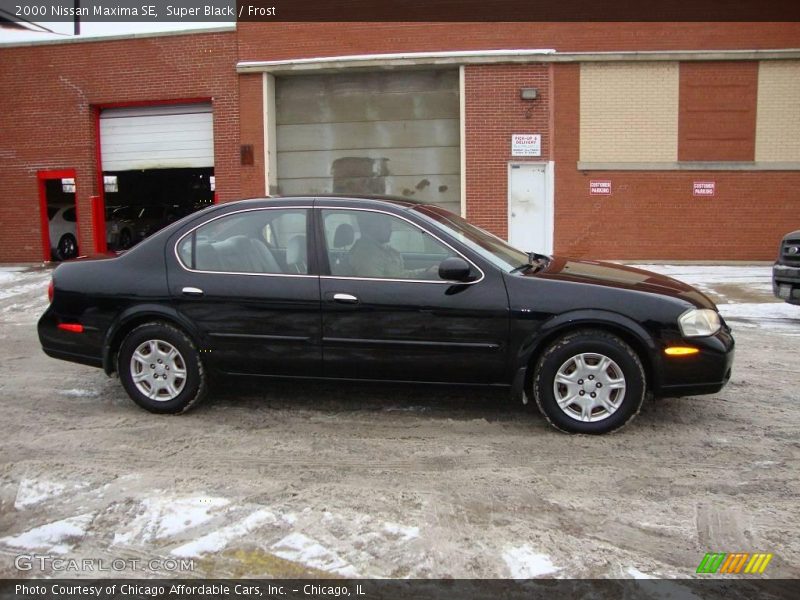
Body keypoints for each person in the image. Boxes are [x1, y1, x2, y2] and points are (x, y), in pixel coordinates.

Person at [349, 212, 437, 279]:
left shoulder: (379, 248)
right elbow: (376, 288)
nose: (391, 230)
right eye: (387, 226)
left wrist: (425, 272)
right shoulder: (366, 255)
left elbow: (398, 275)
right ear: (372, 227)